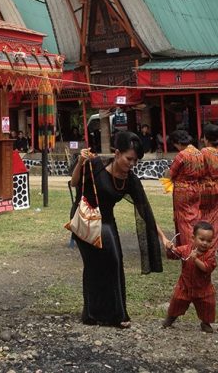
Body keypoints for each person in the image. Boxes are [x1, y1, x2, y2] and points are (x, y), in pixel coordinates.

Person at [71, 131, 166, 328]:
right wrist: (80, 162)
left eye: (136, 161)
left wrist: (163, 238)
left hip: (107, 221)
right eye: (129, 158)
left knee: (115, 262)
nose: (131, 164)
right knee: (101, 262)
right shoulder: (96, 165)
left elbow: (145, 212)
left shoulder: (130, 180)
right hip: (85, 219)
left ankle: (104, 314)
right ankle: (102, 314)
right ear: (117, 154)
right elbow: (74, 183)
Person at [161, 221, 217, 333]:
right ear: (193, 238)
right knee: (177, 301)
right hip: (185, 286)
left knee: (207, 304)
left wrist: (195, 259)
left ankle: (205, 323)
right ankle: (171, 318)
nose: (205, 243)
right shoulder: (186, 249)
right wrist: (169, 248)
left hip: (203, 288)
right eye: (202, 239)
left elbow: (207, 268)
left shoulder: (210, 254)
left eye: (209, 241)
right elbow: (174, 254)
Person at [167, 130, 204, 247]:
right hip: (196, 188)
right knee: (194, 217)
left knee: (184, 220)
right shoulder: (199, 153)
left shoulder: (182, 155)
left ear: (178, 142)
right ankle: (197, 244)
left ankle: (187, 246)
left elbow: (171, 173)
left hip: (183, 190)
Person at [199, 124, 218, 253]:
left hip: (206, 188)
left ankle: (203, 245)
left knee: (204, 217)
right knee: (215, 217)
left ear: (206, 138)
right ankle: (213, 247)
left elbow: (200, 170)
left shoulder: (204, 152)